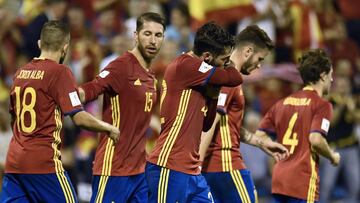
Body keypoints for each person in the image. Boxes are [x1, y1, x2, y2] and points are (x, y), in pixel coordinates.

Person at [0, 20, 119, 203]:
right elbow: (78, 118)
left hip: (14, 162)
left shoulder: (20, 73)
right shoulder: (59, 72)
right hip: (43, 163)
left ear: (40, 43)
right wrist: (108, 128)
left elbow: (13, 118)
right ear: (65, 47)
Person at [146, 21, 244, 203]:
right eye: (224, 59)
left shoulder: (198, 80)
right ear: (207, 56)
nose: (225, 64)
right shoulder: (186, 65)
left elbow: (206, 124)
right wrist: (229, 67)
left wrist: (213, 96)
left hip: (192, 170)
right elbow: (234, 77)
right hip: (169, 165)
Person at [77, 12, 165, 203]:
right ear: (135, 36)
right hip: (113, 168)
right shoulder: (120, 67)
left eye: (158, 35)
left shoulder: (150, 76)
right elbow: (91, 89)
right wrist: (65, 95)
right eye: (147, 34)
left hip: (139, 171)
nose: (152, 41)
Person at [199, 25, 289, 203]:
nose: (259, 64)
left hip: (214, 169)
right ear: (248, 51)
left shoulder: (222, 75)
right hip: (226, 166)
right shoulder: (228, 78)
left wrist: (260, 142)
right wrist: (196, 166)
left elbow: (226, 125)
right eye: (260, 58)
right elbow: (211, 122)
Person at [256, 49, 341, 203]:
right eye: (331, 74)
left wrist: (276, 152)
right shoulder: (322, 105)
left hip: (279, 180)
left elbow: (259, 136)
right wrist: (332, 156)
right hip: (302, 181)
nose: (332, 79)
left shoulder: (282, 103)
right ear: (322, 75)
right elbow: (315, 140)